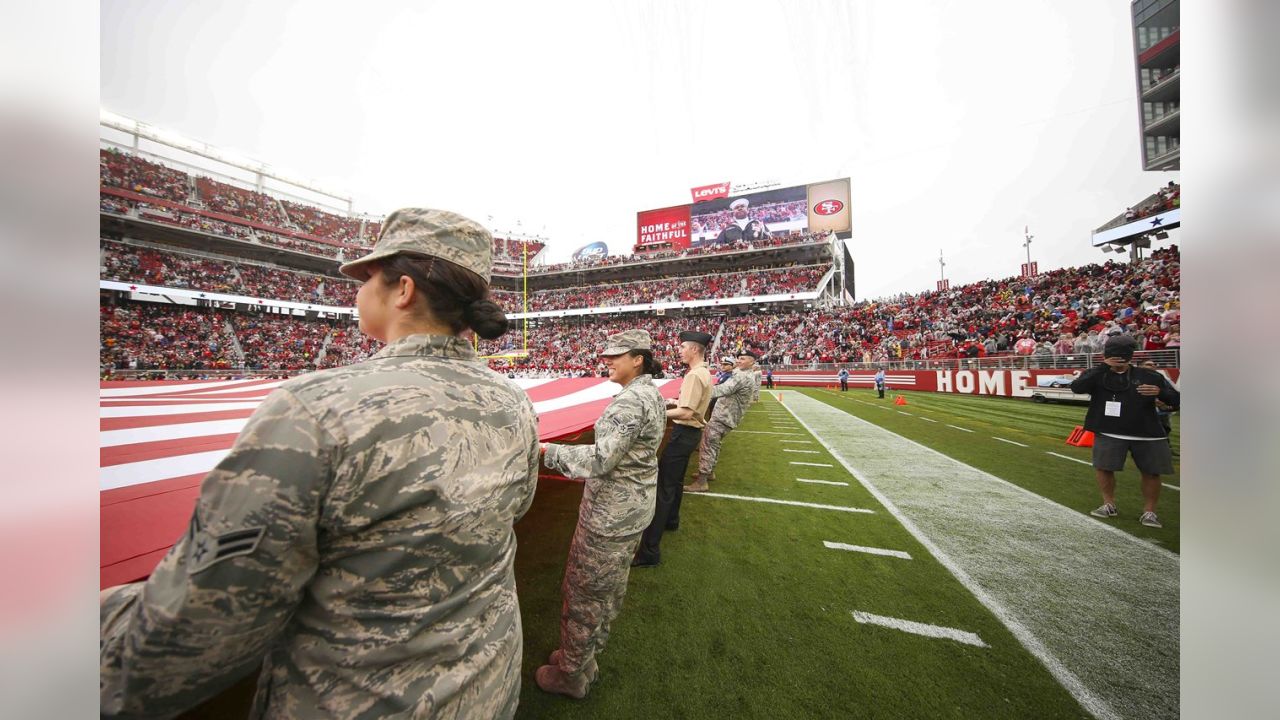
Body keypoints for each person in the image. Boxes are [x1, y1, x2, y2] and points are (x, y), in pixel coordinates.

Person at [99, 209, 541, 719]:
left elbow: (210, 620)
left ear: (402, 290)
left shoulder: (317, 407)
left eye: (365, 277)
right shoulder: (511, 401)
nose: (355, 291)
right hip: (485, 689)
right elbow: (517, 508)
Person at [537, 330, 667, 698]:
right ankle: (585, 657)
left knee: (585, 594)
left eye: (616, 355)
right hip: (631, 511)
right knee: (608, 590)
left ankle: (570, 674)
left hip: (610, 517)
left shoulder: (629, 402)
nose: (606, 361)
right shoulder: (648, 393)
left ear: (637, 359)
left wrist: (548, 451)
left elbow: (600, 459)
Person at [1069, 335, 1179, 528]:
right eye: (1114, 356)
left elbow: (1176, 400)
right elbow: (1077, 387)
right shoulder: (1098, 374)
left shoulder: (1150, 376)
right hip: (1108, 430)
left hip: (1147, 431)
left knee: (1152, 472)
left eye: (1122, 356)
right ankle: (1108, 503)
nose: (1118, 361)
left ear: (1130, 356)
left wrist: (1160, 393)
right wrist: (1103, 366)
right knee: (1104, 468)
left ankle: (1150, 511)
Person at [633, 330, 713, 568]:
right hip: (692, 435)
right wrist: (673, 402)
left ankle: (650, 551)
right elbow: (692, 405)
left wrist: (657, 413)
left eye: (682, 347)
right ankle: (672, 521)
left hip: (684, 432)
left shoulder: (693, 376)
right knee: (675, 482)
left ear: (694, 350)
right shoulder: (703, 372)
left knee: (664, 488)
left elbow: (687, 412)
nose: (679, 350)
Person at [686, 350, 758, 493]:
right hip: (728, 416)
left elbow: (721, 390)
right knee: (715, 444)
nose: (738, 361)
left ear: (752, 362)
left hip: (723, 417)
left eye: (742, 359)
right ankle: (710, 472)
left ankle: (701, 482)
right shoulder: (745, 374)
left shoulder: (742, 377)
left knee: (707, 445)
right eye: (738, 358)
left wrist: (695, 392)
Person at [1139, 359, 1178, 436]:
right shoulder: (1133, 379)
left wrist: (1164, 405)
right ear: (1140, 367)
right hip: (1140, 416)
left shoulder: (1163, 380)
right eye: (1149, 364)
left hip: (1161, 416)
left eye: (1154, 364)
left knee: (1162, 440)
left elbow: (1174, 397)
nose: (1153, 366)